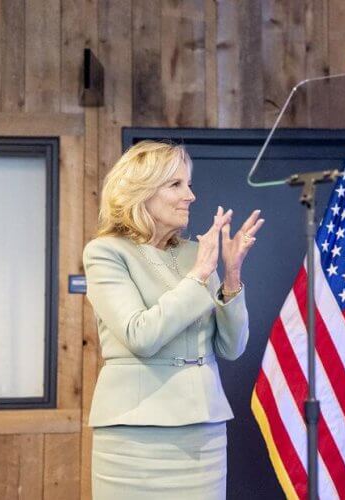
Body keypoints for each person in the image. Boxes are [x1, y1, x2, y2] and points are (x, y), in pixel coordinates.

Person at [83, 141, 265, 499]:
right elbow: (140, 335)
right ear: (141, 192)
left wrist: (231, 276)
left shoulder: (200, 254)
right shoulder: (106, 252)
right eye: (176, 185)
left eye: (189, 184)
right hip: (133, 437)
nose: (191, 196)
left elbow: (231, 348)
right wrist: (199, 276)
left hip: (203, 435)